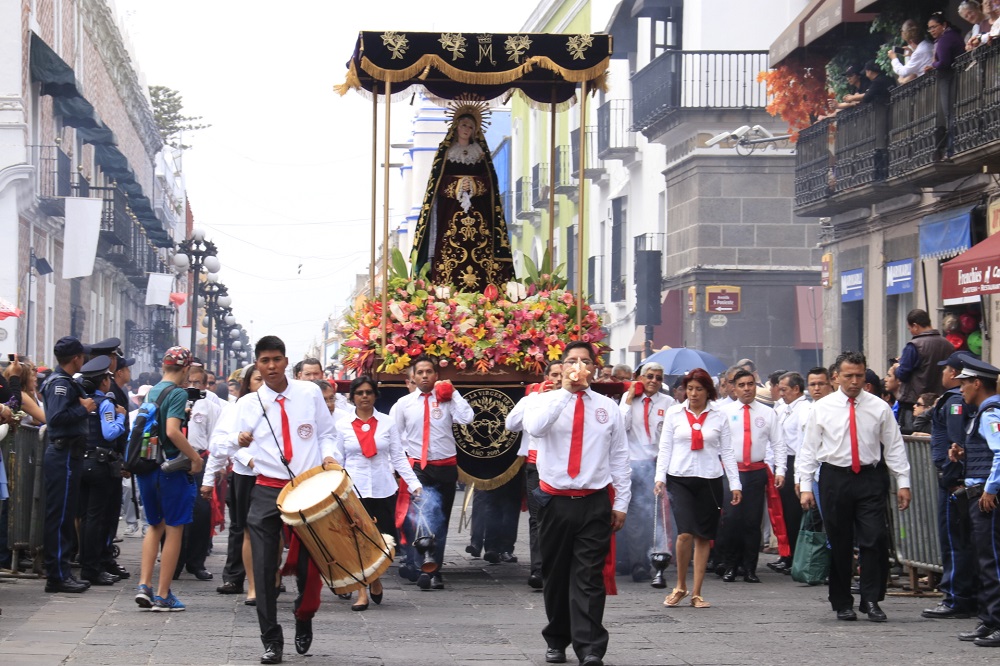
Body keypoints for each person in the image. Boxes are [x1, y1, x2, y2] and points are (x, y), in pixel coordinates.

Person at [522, 341, 631, 666]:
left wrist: (622, 501)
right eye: (572, 361)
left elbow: (620, 456)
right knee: (555, 575)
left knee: (588, 576)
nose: (578, 366)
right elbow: (534, 428)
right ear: (563, 366)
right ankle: (556, 639)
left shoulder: (607, 407)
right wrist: (567, 394)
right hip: (554, 501)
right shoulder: (544, 400)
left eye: (585, 361)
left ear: (594, 368)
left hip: (593, 501)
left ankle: (590, 648)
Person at [237, 336, 339, 663]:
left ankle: (304, 615)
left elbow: (327, 433)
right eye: (264, 361)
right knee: (265, 568)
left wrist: (330, 458)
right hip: (267, 489)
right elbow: (231, 448)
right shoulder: (248, 404)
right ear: (257, 363)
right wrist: (246, 452)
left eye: (276, 360)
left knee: (311, 565)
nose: (270, 366)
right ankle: (270, 639)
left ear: (285, 360)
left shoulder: (309, 393)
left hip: (308, 488)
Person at [799, 351, 912, 623]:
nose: (854, 381)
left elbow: (894, 446)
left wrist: (903, 481)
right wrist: (804, 485)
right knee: (839, 541)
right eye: (848, 376)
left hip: (870, 478)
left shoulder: (879, 407)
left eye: (859, 375)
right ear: (836, 377)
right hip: (835, 478)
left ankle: (871, 599)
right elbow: (809, 449)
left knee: (874, 538)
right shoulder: (821, 408)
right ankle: (842, 602)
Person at [654, 368, 742, 609]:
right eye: (689, 389)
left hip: (710, 478)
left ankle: (697, 592)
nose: (692, 394)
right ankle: (680, 585)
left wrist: (735, 483)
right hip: (680, 477)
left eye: (698, 389)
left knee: (704, 535)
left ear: (708, 391)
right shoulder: (674, 413)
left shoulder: (719, 415)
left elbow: (728, 452)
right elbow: (665, 449)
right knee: (685, 533)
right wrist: (659, 478)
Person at [333, 376, 422, 611]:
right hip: (354, 490)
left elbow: (398, 457)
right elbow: (338, 459)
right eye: (359, 393)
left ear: (375, 395)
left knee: (381, 541)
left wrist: (413, 484)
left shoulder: (387, 423)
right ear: (352, 397)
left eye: (368, 392)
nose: (364, 397)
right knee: (358, 540)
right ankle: (361, 591)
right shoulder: (342, 425)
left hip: (383, 489)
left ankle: (375, 576)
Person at [410, 104, 513, 291]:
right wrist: (456, 185)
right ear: (456, 126)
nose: (467, 129)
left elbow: (490, 182)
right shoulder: (446, 153)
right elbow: (436, 183)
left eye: (471, 127)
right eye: (464, 125)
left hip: (478, 213)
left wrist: (474, 185)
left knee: (481, 248)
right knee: (448, 247)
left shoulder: (480, 154)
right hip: (450, 213)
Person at [391, 355, 474, 589]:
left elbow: (467, 418)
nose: (425, 376)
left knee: (440, 520)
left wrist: (453, 392)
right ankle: (421, 567)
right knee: (422, 518)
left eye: (429, 372)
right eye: (420, 372)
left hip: (446, 467)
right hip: (419, 468)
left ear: (436, 376)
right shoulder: (404, 403)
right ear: (413, 377)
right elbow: (394, 437)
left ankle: (435, 569)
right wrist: (399, 467)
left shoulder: (447, 400)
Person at [133, 347, 203, 612]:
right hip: (170, 470)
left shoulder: (150, 391)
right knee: (174, 528)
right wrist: (194, 458)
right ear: (185, 370)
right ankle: (163, 595)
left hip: (148, 467)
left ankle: (144, 586)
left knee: (154, 526)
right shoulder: (177, 393)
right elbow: (173, 431)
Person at [922, 352, 977, 619]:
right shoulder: (955, 399)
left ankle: (956, 597)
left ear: (954, 374)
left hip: (953, 480)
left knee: (953, 540)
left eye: (946, 370)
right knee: (960, 539)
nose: (942, 373)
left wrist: (950, 476)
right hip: (957, 479)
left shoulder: (955, 402)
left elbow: (957, 443)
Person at [950, 356, 1000, 647]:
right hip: (980, 494)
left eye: (965, 383)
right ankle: (988, 619)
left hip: (987, 499)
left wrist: (991, 489)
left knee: (991, 560)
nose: (962, 389)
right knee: (985, 561)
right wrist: (965, 455)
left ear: (977, 383)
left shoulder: (990, 412)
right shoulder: (983, 412)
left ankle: (996, 620)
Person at [720, 369, 785, 583]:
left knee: (752, 521)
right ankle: (730, 566)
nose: (747, 389)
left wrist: (780, 470)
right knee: (731, 520)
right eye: (742, 385)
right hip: (732, 472)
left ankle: (749, 568)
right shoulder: (724, 412)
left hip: (756, 472)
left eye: (750, 384)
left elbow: (778, 443)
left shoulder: (768, 413)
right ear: (734, 388)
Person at [203, 366, 262, 603]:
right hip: (245, 473)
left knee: (269, 530)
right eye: (258, 379)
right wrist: (246, 457)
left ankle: (269, 578)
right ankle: (235, 577)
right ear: (249, 383)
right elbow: (220, 445)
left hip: (273, 475)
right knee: (241, 528)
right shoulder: (238, 407)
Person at [40, 336, 95, 593]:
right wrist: (83, 409)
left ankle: (61, 571)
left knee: (64, 515)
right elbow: (56, 417)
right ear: (76, 358)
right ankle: (57, 576)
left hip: (69, 455)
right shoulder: (60, 383)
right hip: (62, 454)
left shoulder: (65, 382)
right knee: (60, 517)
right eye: (82, 356)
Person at [506, 360, 562, 589]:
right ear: (546, 377)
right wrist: (534, 401)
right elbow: (511, 424)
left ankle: (558, 567)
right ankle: (538, 570)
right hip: (535, 465)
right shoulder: (532, 400)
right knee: (537, 518)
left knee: (561, 518)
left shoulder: (572, 401)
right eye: (555, 374)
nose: (558, 379)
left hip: (561, 467)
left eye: (562, 375)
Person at [618, 362, 674, 581]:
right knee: (633, 519)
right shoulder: (627, 399)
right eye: (649, 376)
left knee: (652, 516)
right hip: (632, 464)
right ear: (639, 378)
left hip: (655, 464)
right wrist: (630, 399)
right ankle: (638, 564)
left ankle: (654, 559)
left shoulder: (668, 402)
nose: (653, 381)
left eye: (658, 378)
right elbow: (621, 427)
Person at [76, 356, 127, 586]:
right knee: (97, 519)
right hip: (100, 464)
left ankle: (87, 564)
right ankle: (92, 568)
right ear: (104, 382)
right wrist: (121, 418)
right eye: (107, 377)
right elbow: (109, 433)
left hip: (82, 461)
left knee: (86, 518)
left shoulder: (82, 401)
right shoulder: (105, 403)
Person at [175, 364, 219, 581]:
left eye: (197, 383)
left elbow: (215, 437)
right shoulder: (174, 401)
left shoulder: (210, 406)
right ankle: (174, 561)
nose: (192, 386)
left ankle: (196, 562)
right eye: (188, 382)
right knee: (174, 513)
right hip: (176, 460)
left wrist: (215, 467)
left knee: (201, 513)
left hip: (200, 459)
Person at [767, 371, 809, 574]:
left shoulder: (805, 409)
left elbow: (802, 444)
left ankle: (793, 555)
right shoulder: (782, 408)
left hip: (795, 461)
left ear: (796, 389)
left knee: (793, 513)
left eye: (784, 389)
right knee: (782, 511)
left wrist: (799, 474)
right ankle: (786, 553)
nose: (780, 393)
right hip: (781, 461)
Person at [893, 309, 955, 432]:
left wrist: (897, 367)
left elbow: (903, 374)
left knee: (912, 444)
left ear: (915, 326)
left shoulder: (914, 346)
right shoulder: (948, 345)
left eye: (909, 328)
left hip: (914, 404)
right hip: (938, 402)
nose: (910, 332)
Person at [888, 19, 934, 83]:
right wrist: (911, 54)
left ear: (910, 41)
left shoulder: (919, 52)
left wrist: (893, 58)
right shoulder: (928, 44)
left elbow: (903, 72)